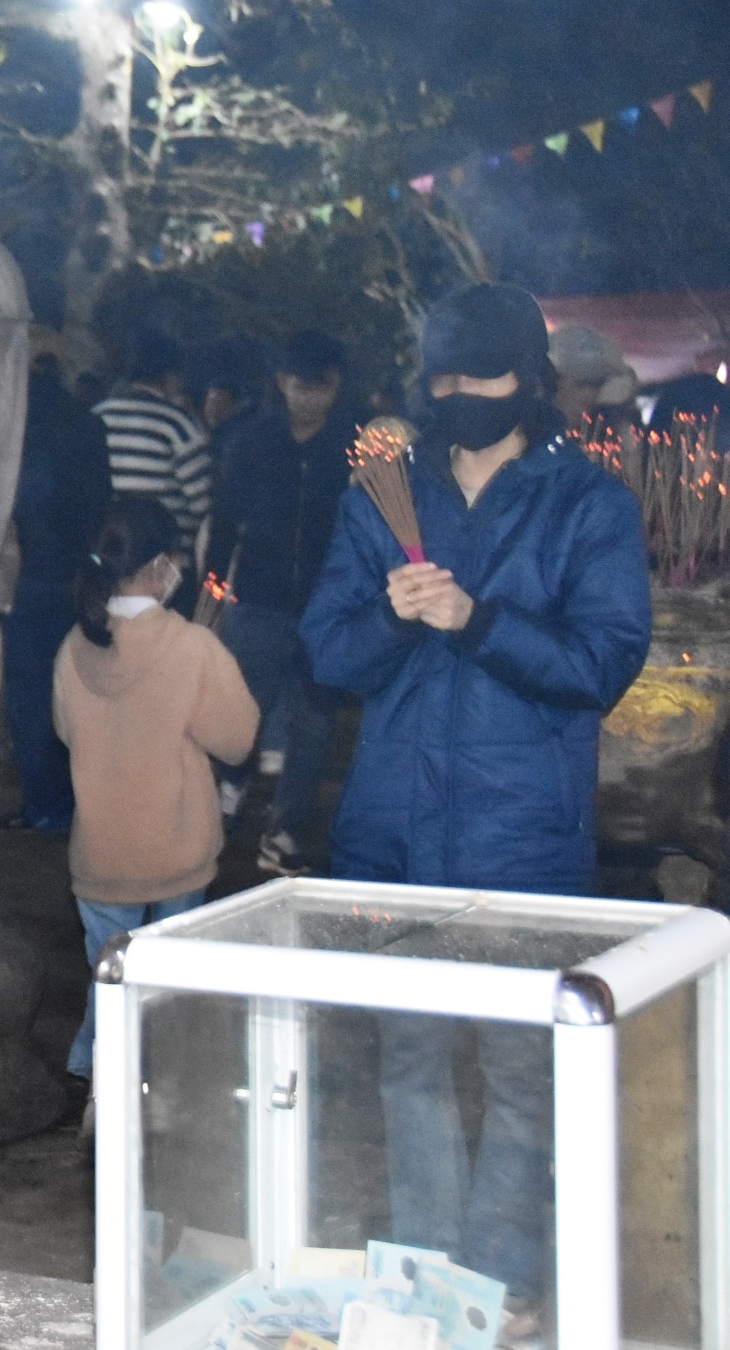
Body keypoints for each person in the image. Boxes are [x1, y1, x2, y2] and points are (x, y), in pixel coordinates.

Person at [300, 283, 651, 1317]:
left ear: (529, 384)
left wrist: (477, 618)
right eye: (444, 378)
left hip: (520, 836)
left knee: (518, 1074)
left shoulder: (587, 503)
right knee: (406, 1064)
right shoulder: (380, 495)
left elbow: (601, 662)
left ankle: (497, 1281)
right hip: (396, 833)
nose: (462, 395)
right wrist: (393, 615)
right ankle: (424, 1276)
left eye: (484, 377)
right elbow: (326, 652)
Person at [55, 497, 256, 1093]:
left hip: (100, 851)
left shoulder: (75, 645)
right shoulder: (192, 647)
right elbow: (239, 740)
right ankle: (161, 1082)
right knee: (169, 979)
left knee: (108, 972)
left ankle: (95, 1073)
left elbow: (66, 732)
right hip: (177, 850)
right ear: (161, 567)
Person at [204, 330, 366, 874]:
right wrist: (211, 592)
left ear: (335, 386)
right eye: (300, 386)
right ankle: (226, 797)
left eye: (320, 388)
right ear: (282, 383)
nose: (309, 398)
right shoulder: (251, 441)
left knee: (316, 721)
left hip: (326, 606)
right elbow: (225, 522)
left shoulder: (351, 449)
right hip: (259, 600)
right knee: (242, 707)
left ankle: (285, 827)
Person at [0, 333, 112, 833]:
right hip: (76, 579)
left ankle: (42, 805)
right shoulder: (87, 426)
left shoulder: (16, 428)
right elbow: (100, 504)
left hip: (28, 577)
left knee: (29, 696)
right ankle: (76, 801)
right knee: (76, 689)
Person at [93, 329, 211, 547]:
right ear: (169, 375)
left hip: (104, 552)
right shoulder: (175, 423)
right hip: (164, 562)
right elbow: (205, 504)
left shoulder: (98, 416)